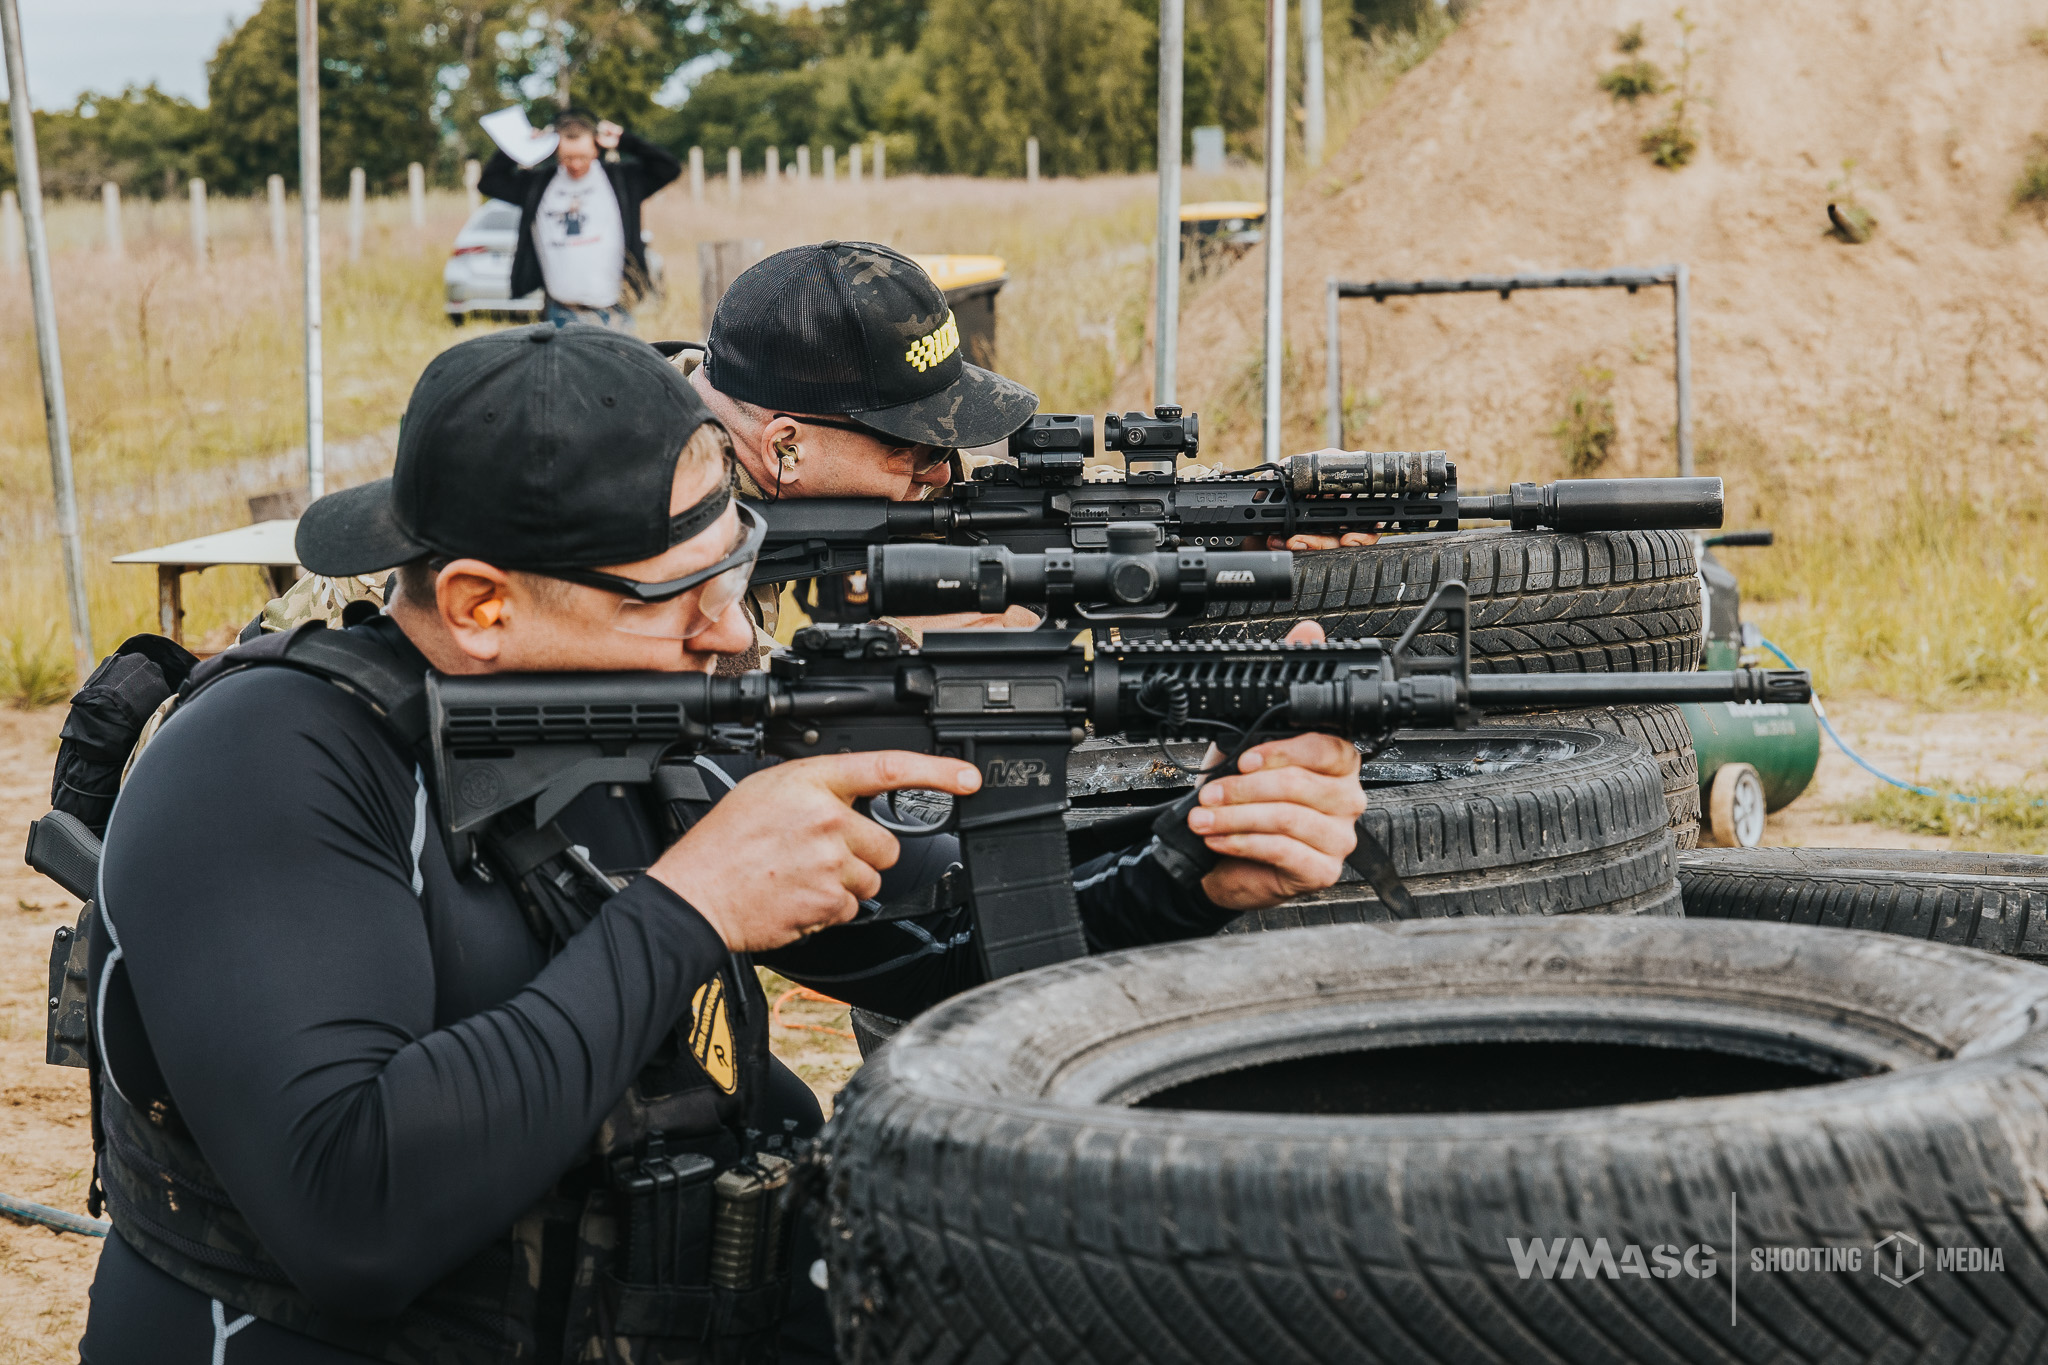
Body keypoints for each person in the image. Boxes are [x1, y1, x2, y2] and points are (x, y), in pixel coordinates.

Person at [78, 324, 1367, 1364]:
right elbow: (351, 1212)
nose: (732, 631)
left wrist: (1185, 870)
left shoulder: (642, 710)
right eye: (675, 593)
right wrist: (685, 913)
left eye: (736, 564)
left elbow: (928, 945)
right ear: (479, 604)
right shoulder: (263, 766)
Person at [480, 109, 680, 332]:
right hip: (561, 312)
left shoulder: (622, 180)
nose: (575, 164)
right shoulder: (537, 185)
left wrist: (625, 141)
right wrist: (521, 147)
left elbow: (669, 168)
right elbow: (489, 183)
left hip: (616, 311)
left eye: (582, 157)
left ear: (596, 148)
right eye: (567, 158)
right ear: (556, 151)